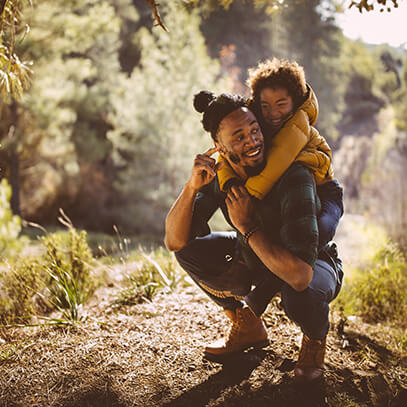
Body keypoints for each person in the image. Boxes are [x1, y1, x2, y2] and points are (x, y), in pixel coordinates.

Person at [164, 91, 343, 382]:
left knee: (299, 294)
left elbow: (299, 275)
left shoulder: (293, 175)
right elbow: (174, 241)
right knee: (188, 250)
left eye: (255, 130)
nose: (253, 141)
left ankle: (314, 339)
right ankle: (246, 325)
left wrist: (247, 227)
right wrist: (191, 188)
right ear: (218, 146)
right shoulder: (222, 175)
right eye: (239, 137)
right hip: (256, 255)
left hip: (313, 262)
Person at [216, 58, 344, 248]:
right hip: (294, 191)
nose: (273, 113)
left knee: (319, 232)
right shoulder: (257, 125)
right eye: (265, 106)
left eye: (281, 104)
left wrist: (247, 196)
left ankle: (321, 265)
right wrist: (231, 183)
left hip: (324, 191)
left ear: (296, 101)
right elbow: (226, 156)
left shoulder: (297, 126)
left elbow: (275, 164)